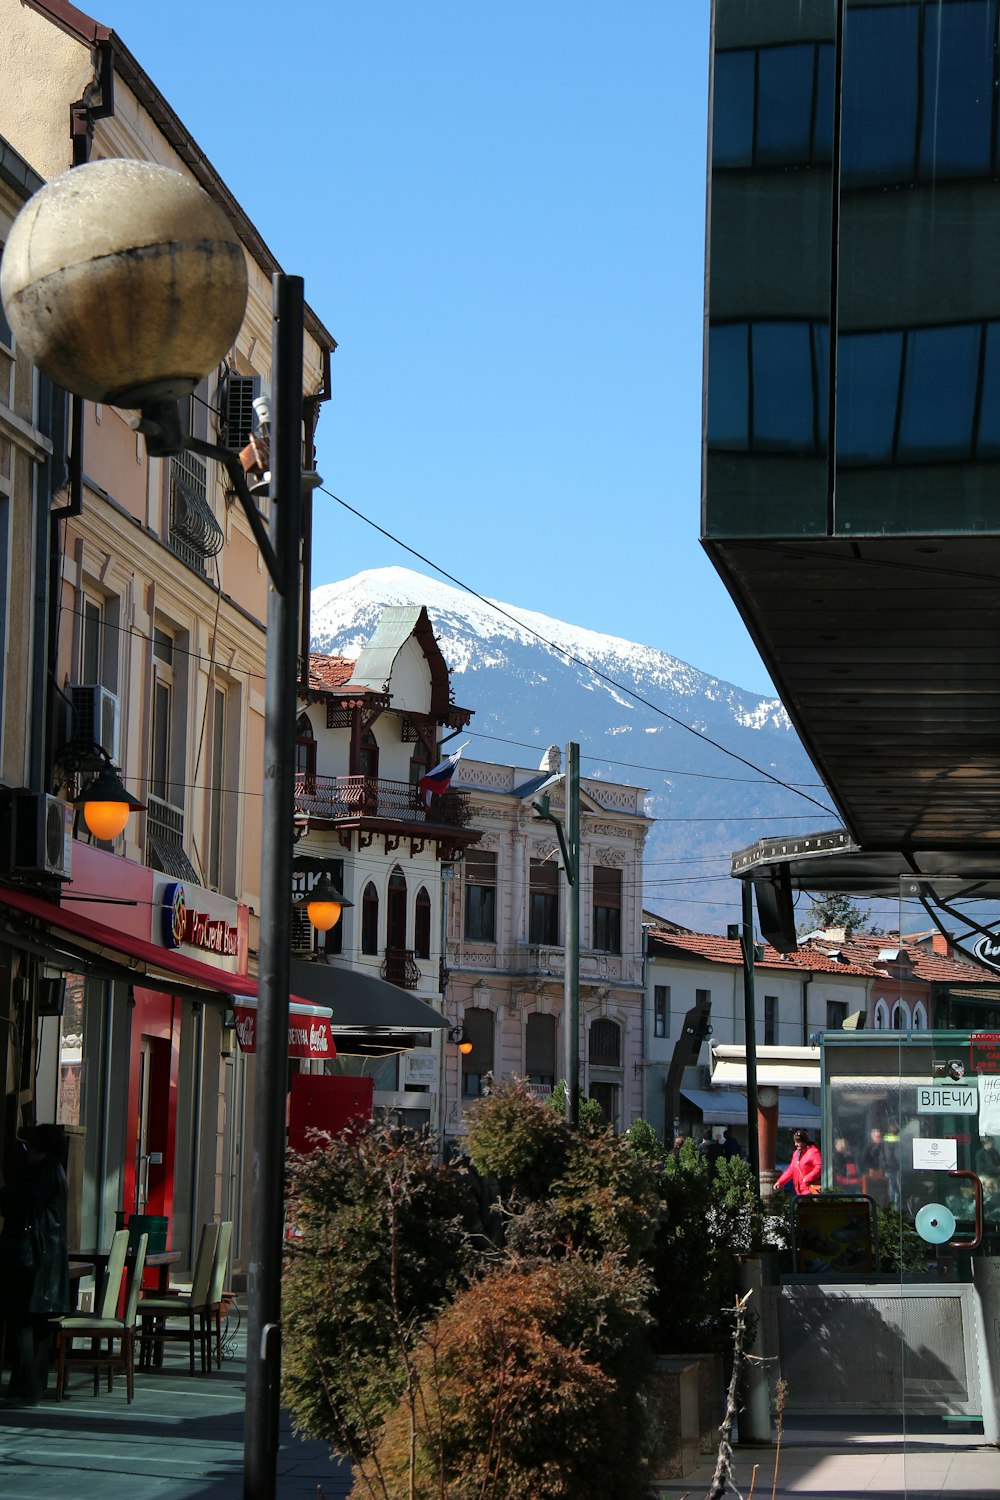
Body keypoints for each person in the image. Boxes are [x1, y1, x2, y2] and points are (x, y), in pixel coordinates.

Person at [0, 1123, 70, 1403]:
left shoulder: (43, 1173)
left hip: (32, 1261)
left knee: (22, 1322)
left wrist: (3, 1190)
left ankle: (24, 1388)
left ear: (39, 1147)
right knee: (38, 1326)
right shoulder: (57, 1171)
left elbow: (25, 1209)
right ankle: (33, 1385)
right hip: (47, 1260)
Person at [774, 1129, 822, 1195]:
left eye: (798, 1142)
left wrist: (807, 1178)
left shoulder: (813, 1152)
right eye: (795, 1142)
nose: (796, 1144)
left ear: (804, 1142)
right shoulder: (796, 1154)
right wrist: (780, 1182)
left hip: (810, 1190)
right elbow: (790, 1171)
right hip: (799, 1192)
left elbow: (819, 1167)